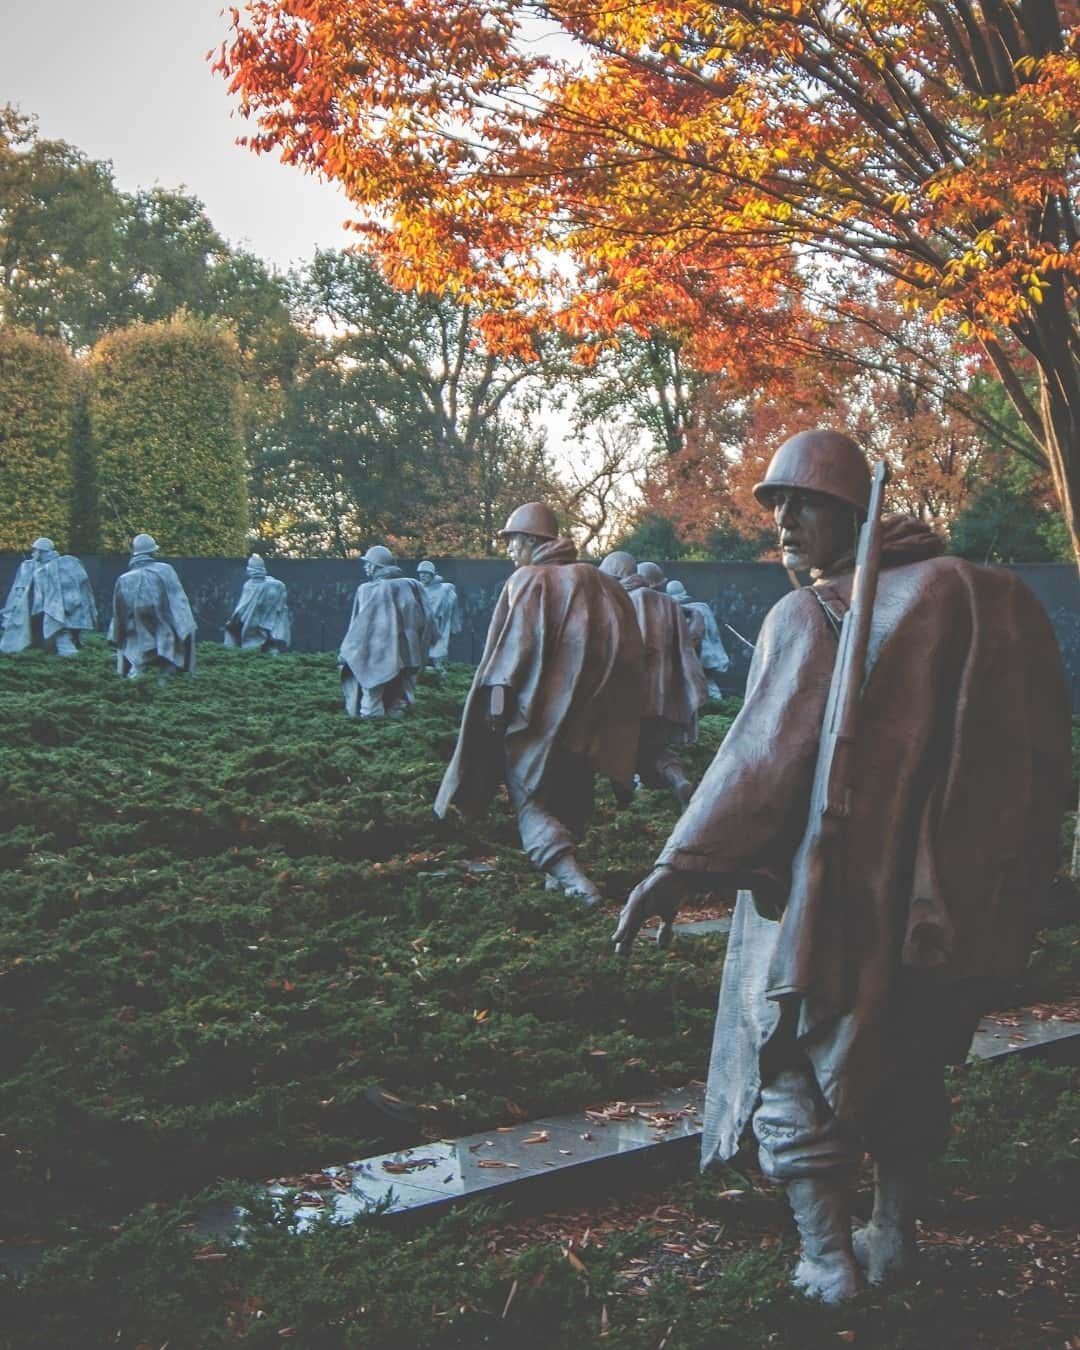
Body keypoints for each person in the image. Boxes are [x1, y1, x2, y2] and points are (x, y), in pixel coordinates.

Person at [614, 429, 1071, 1302]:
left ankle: (828, 1258)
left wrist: (677, 864)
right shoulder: (977, 596)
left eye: (802, 503)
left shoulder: (815, 611)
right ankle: (895, 1235)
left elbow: (760, 760)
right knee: (904, 1062)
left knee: (787, 1056)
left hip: (824, 899)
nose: (783, 521)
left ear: (850, 511)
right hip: (942, 905)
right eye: (775, 504)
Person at [435, 502, 643, 905]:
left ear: (531, 541)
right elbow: (630, 653)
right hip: (587, 721)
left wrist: (496, 713)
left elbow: (510, 654)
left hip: (535, 720)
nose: (510, 552)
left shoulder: (528, 581)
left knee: (528, 798)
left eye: (513, 542)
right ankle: (557, 886)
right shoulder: (601, 582)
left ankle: (572, 878)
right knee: (571, 794)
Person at [599, 551, 706, 808]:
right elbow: (689, 646)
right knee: (656, 749)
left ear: (617, 575)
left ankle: (624, 806)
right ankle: (679, 780)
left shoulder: (617, 602)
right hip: (663, 696)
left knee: (617, 750)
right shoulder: (668, 603)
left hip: (627, 696)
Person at [339, 544, 435, 718]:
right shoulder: (412, 585)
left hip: (376, 654)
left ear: (376, 566)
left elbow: (359, 626)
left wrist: (348, 651)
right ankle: (392, 731)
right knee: (398, 701)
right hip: (406, 654)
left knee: (371, 701)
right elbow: (427, 621)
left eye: (368, 563)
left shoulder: (368, 590)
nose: (365, 567)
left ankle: (373, 731)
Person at [108, 533, 196, 677]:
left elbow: (118, 614)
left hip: (136, 633)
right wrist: (186, 628)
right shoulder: (165, 570)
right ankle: (165, 689)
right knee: (168, 666)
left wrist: (117, 635)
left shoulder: (123, 579)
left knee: (137, 668)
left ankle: (135, 690)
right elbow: (179, 604)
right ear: (152, 551)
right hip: (163, 631)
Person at [0, 537, 96, 655]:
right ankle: (30, 645)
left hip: (55, 605)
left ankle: (63, 643)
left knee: (58, 624)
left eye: (35, 550)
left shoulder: (62, 563)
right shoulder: (29, 565)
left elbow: (77, 582)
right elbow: (20, 587)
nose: (33, 553)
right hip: (33, 605)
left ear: (43, 551)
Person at [665, 579, 731, 701]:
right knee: (709, 685)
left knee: (697, 687)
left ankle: (713, 708)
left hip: (696, 655)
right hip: (710, 654)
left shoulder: (676, 610)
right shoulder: (703, 607)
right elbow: (713, 632)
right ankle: (717, 706)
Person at [224, 554, 291, 653]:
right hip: (260, 623)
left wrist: (236, 618)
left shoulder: (272, 585)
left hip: (262, 623)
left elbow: (242, 607)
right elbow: (243, 605)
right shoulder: (275, 585)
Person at [416, 560, 461, 671]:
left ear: (432, 574)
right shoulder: (419, 589)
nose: (423, 575)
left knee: (437, 661)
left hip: (437, 630)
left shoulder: (443, 590)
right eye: (421, 573)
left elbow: (436, 612)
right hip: (422, 630)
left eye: (426, 573)